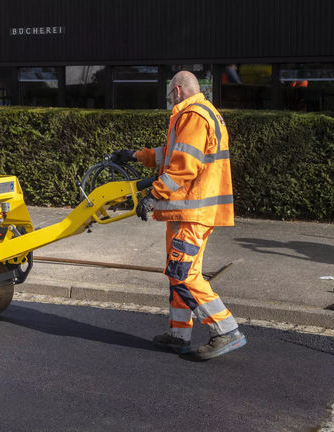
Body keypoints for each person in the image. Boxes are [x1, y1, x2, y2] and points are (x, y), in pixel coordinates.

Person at [112, 71, 246, 360]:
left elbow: (185, 166)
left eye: (169, 94)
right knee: (178, 274)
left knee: (183, 275)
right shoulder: (200, 114)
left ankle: (226, 330)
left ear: (177, 90)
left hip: (192, 210)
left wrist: (153, 195)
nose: (169, 99)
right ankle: (179, 335)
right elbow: (172, 154)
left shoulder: (194, 115)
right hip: (190, 210)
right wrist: (135, 155)